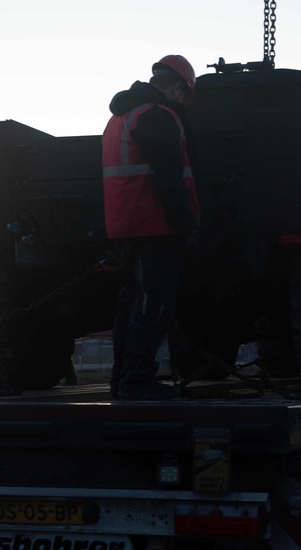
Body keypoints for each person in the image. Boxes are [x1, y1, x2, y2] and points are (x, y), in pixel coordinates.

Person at [102, 55, 201, 400]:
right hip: (155, 224)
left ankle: (123, 378)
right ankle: (138, 380)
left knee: (129, 305)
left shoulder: (120, 117)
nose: (182, 104)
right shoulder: (157, 116)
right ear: (175, 86)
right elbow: (170, 177)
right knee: (153, 306)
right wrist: (185, 225)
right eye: (183, 95)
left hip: (126, 225)